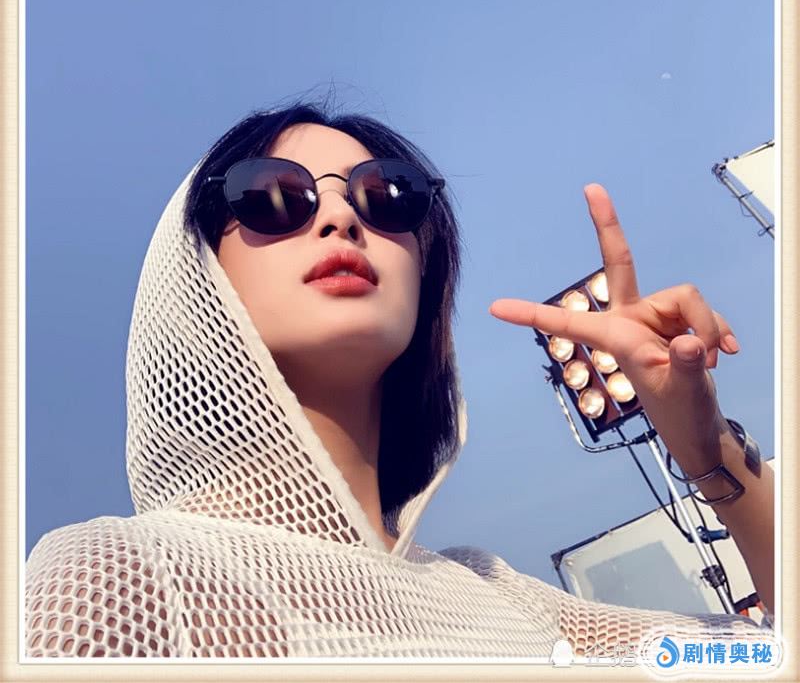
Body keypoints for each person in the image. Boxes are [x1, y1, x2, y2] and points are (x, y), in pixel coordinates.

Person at [25, 99, 775, 659]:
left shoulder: (498, 596)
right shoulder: (117, 581)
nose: (340, 218)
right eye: (273, 195)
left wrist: (705, 445)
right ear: (195, 269)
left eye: (387, 197)